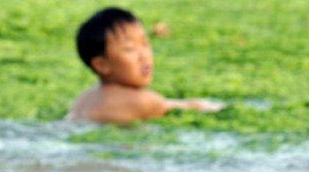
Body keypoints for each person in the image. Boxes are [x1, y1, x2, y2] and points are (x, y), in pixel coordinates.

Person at [67, 7, 224, 124]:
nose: (144, 55)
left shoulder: (84, 98)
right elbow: (185, 107)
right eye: (130, 49)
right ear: (101, 65)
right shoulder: (144, 101)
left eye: (145, 44)